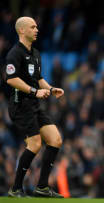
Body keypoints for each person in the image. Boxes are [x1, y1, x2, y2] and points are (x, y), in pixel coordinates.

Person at [5, 17, 64, 198]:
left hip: (34, 105)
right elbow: (11, 79)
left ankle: (42, 187)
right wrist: (34, 92)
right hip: (20, 106)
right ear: (22, 31)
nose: (36, 29)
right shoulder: (14, 53)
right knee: (35, 143)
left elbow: (38, 79)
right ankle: (16, 189)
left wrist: (51, 89)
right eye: (32, 27)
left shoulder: (36, 53)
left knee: (55, 140)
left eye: (37, 26)